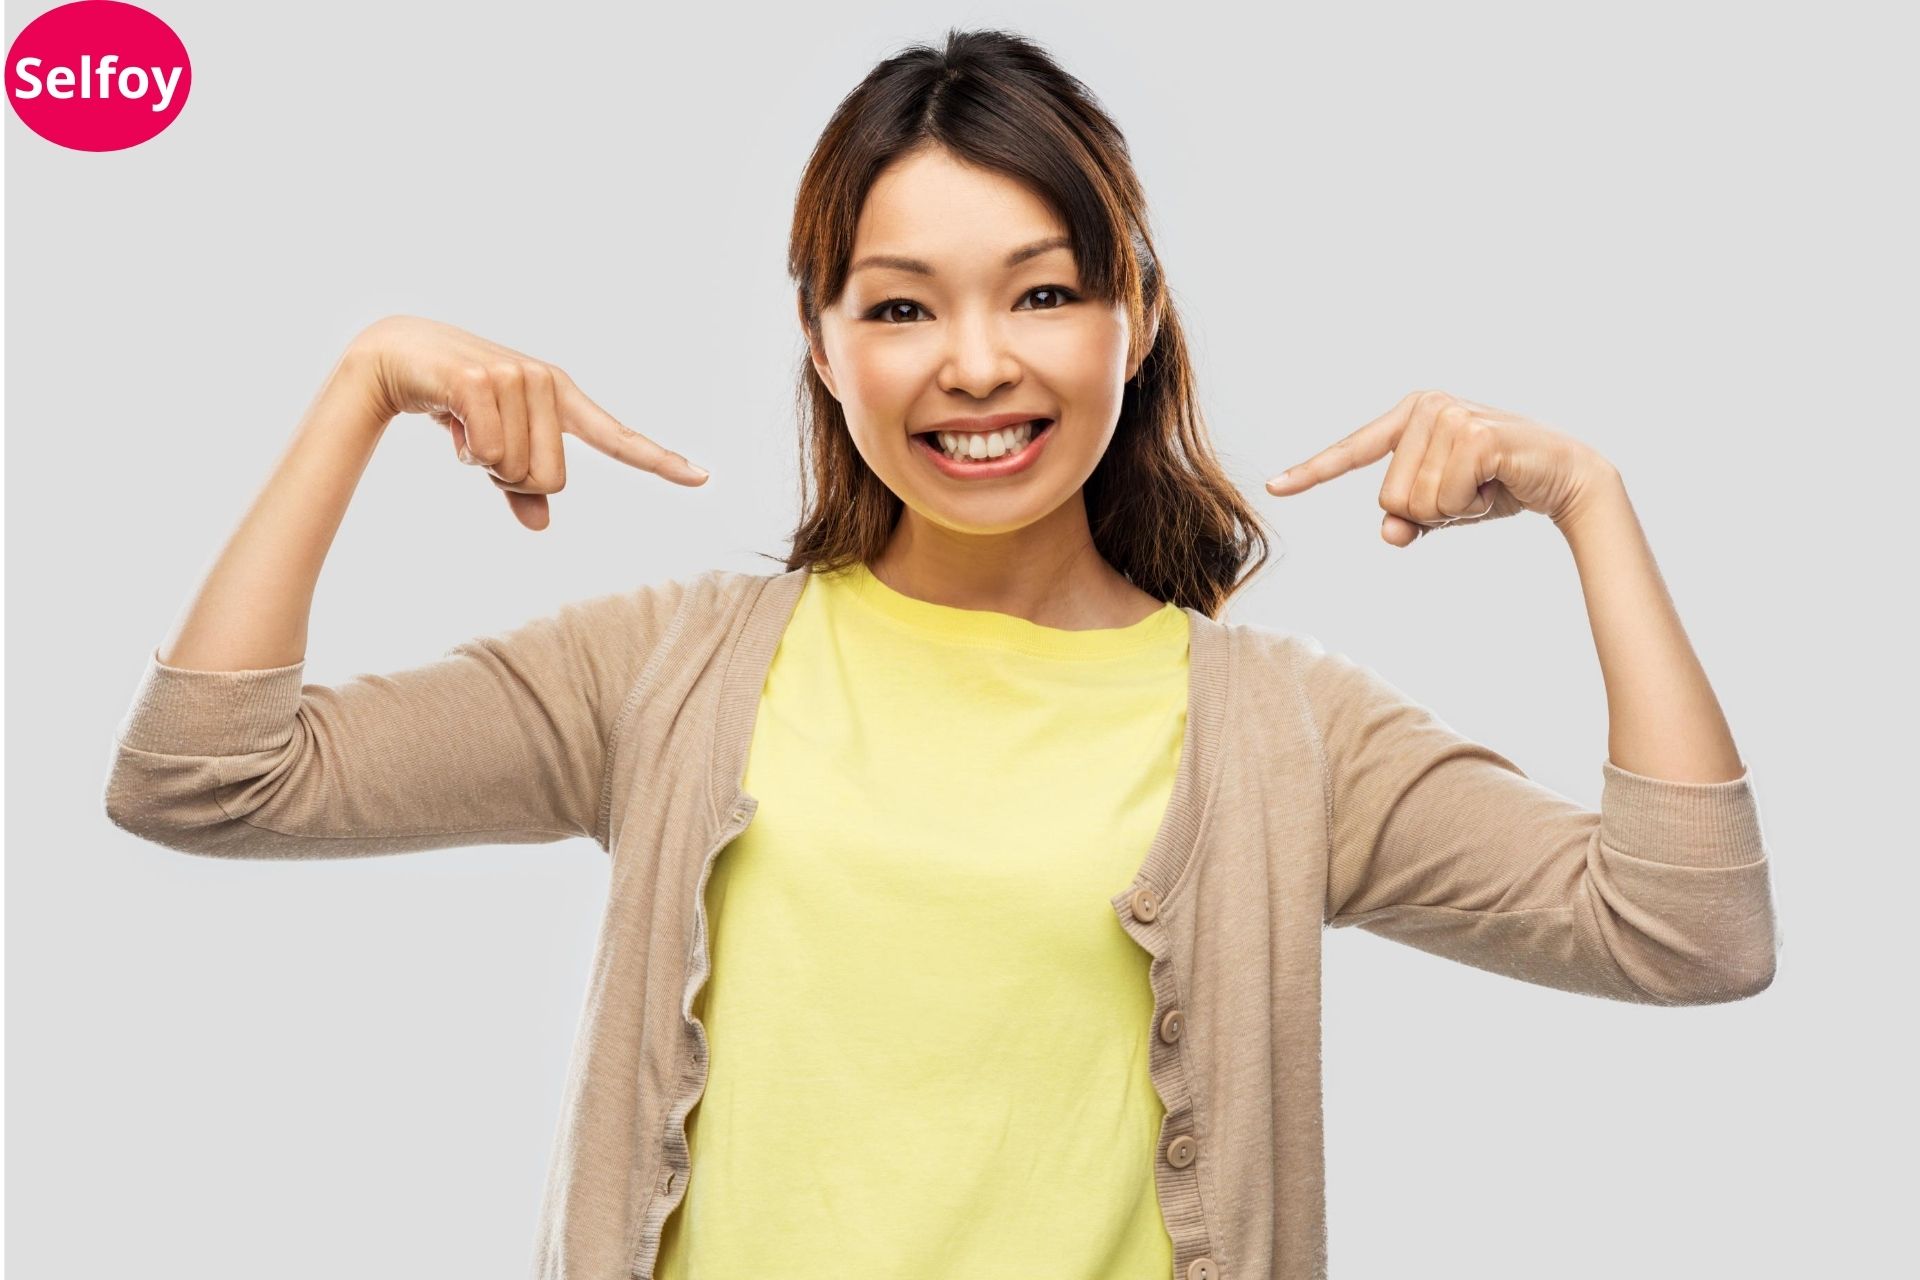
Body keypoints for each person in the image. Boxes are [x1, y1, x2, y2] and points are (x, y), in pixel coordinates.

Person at [102, 27, 1780, 1280]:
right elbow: (208, 779)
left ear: (1138, 313)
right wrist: (365, 387)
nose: (975, 363)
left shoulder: (1282, 735)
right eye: (900, 307)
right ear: (824, 349)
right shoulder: (670, 673)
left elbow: (1687, 932)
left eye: (1042, 293)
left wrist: (1592, 507)